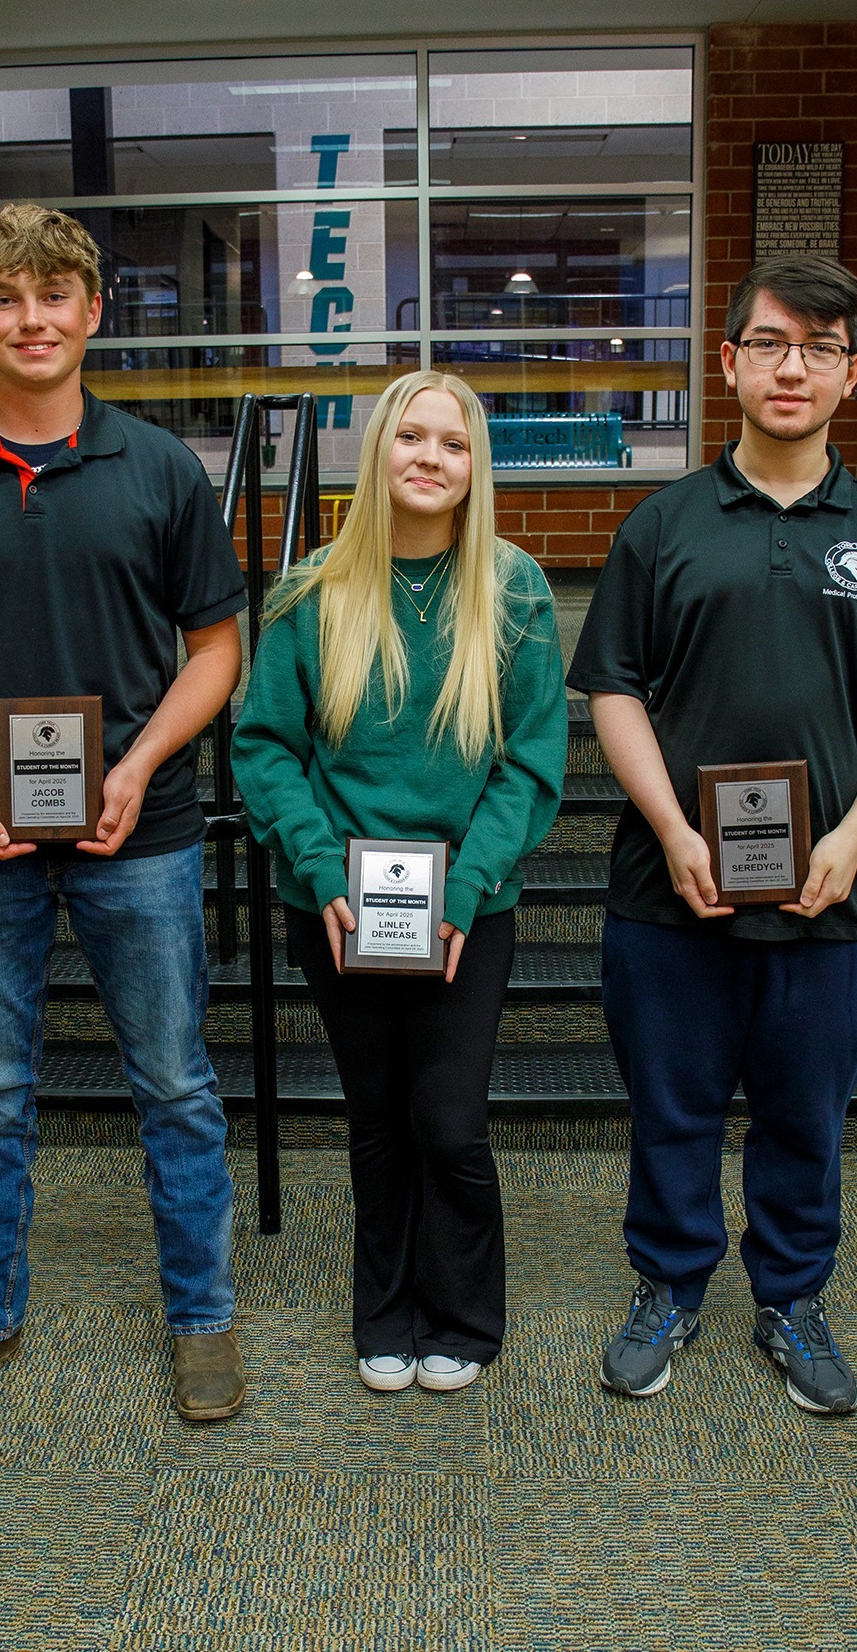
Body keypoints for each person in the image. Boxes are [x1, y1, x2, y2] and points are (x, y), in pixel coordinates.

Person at [0, 203, 248, 1425]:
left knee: (177, 1082)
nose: (32, 318)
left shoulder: (159, 471)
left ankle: (201, 1318)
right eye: (6, 299)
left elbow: (216, 651)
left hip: (140, 831)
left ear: (93, 312)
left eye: (54, 295)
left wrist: (135, 767)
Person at [568, 254, 857, 1415]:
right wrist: (676, 829)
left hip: (840, 898)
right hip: (667, 887)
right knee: (671, 1105)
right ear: (728, 362)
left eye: (820, 348)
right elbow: (616, 691)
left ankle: (790, 1295)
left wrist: (855, 837)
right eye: (772, 343)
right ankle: (670, 1285)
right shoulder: (662, 526)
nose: (795, 367)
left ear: (852, 374)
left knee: (804, 1117)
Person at [231, 370, 567, 1391]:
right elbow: (266, 747)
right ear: (378, 452)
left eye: (453, 444)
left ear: (476, 467)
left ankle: (461, 1312)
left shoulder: (513, 591)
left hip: (467, 908)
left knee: (450, 1119)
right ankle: (382, 1311)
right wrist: (319, 864)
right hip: (337, 904)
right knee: (375, 1112)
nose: (430, 458)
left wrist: (467, 889)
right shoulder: (312, 590)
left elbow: (530, 761)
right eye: (410, 437)